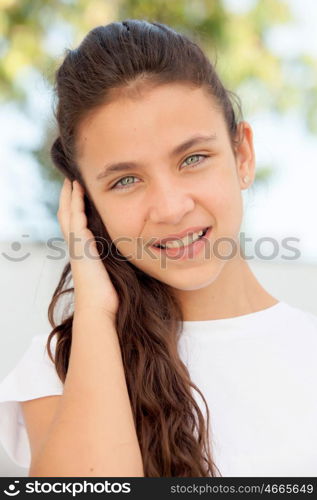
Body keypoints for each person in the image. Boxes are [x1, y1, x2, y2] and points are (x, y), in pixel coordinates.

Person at [0, 19, 317, 478]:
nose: (170, 208)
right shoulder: (64, 364)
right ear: (86, 203)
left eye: (192, 159)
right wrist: (94, 312)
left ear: (242, 156)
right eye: (126, 180)